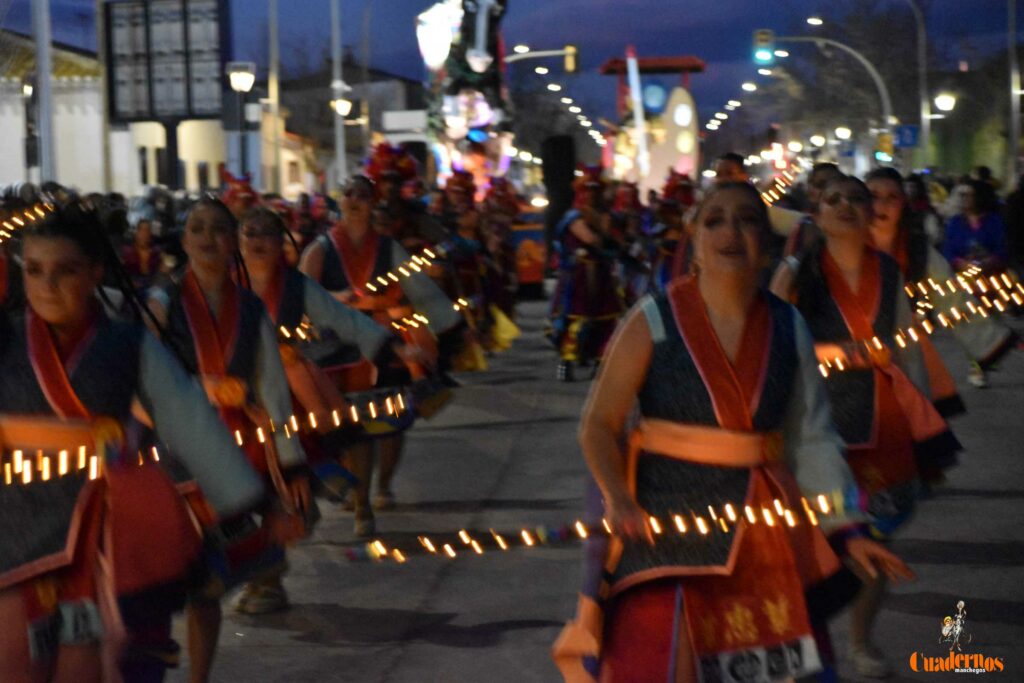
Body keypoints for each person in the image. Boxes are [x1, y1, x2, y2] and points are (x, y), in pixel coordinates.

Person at [553, 182, 913, 683]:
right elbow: (598, 424)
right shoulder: (652, 318)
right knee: (663, 661)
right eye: (715, 220)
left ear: (765, 240)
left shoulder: (788, 324)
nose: (730, 231)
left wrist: (845, 528)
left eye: (746, 219)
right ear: (694, 236)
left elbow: (812, 438)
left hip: (760, 528)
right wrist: (618, 498)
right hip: (663, 526)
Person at [0, 198, 265, 683]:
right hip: (14, 532)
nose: (47, 285)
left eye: (64, 270)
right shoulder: (6, 341)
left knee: (97, 666)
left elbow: (187, 419)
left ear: (96, 270)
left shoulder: (127, 343)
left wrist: (240, 498)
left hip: (108, 537)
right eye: (34, 270)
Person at [773, 175, 959, 677]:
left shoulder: (888, 271)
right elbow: (771, 348)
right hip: (814, 430)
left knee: (876, 541)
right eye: (834, 199)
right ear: (817, 210)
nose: (848, 207)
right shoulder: (798, 273)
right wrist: (838, 353)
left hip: (882, 426)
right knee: (805, 550)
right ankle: (799, 647)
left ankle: (860, 641)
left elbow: (908, 352)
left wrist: (925, 429)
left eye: (858, 199)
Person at [148, 196, 311, 683]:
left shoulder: (251, 307)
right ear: (184, 240)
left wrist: (292, 462)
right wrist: (205, 386)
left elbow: (274, 391)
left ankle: (199, 678)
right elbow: (142, 375)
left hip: (233, 454)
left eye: (218, 228)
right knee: (154, 582)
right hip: (171, 457)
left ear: (231, 241)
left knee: (208, 583)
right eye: (197, 227)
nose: (207, 237)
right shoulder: (161, 302)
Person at [299, 175, 460, 536]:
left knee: (390, 426)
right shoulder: (319, 250)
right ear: (339, 202)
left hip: (386, 344)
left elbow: (419, 290)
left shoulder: (389, 249)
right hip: (337, 347)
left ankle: (381, 485)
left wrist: (445, 323)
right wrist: (339, 301)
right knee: (354, 429)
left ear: (372, 203)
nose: (355, 199)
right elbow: (302, 298)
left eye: (362, 194)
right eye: (349, 193)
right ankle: (361, 504)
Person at [867, 168, 1016, 391]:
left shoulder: (918, 252)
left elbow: (951, 297)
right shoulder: (842, 243)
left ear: (903, 204)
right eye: (873, 196)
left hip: (901, 351)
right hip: (848, 352)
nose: (882, 205)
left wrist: (994, 340)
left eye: (892, 197)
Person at [548, 166, 626, 382]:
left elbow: (615, 241)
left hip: (601, 273)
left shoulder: (606, 215)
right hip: (578, 275)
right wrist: (603, 231)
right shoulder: (573, 216)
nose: (591, 194)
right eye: (588, 189)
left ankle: (600, 363)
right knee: (575, 319)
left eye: (595, 189)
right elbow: (591, 239)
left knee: (606, 320)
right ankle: (567, 362)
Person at [943, 180, 1009, 274]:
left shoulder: (994, 222)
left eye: (970, 195)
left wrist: (988, 262)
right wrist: (960, 263)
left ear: (979, 196)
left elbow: (1002, 249)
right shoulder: (955, 222)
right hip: (961, 276)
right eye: (963, 195)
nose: (965, 198)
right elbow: (948, 249)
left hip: (990, 276)